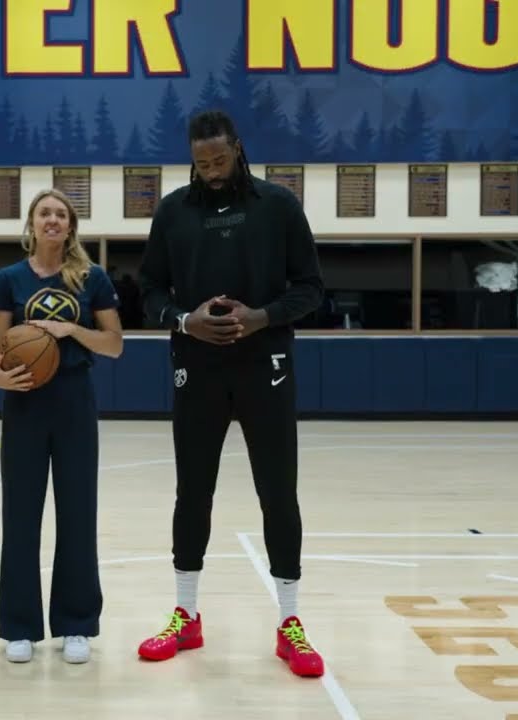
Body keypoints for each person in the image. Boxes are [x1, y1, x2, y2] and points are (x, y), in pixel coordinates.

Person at [135, 109, 326, 677]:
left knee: (278, 493)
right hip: (196, 366)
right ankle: (186, 615)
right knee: (192, 493)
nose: (212, 171)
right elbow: (148, 290)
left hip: (264, 365)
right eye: (201, 163)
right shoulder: (173, 211)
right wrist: (183, 319)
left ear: (238, 149)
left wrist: (263, 316)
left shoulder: (279, 206)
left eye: (219, 160)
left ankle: (290, 623)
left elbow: (311, 288)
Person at [0, 188, 124, 664]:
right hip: (24, 402)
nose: (52, 220)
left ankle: (76, 624)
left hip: (73, 402)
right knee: (19, 517)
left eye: (60, 214)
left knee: (78, 513)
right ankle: (20, 627)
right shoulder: (8, 279)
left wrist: (72, 330)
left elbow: (113, 345)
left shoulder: (93, 279)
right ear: (31, 222)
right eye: (44, 213)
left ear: (70, 227)